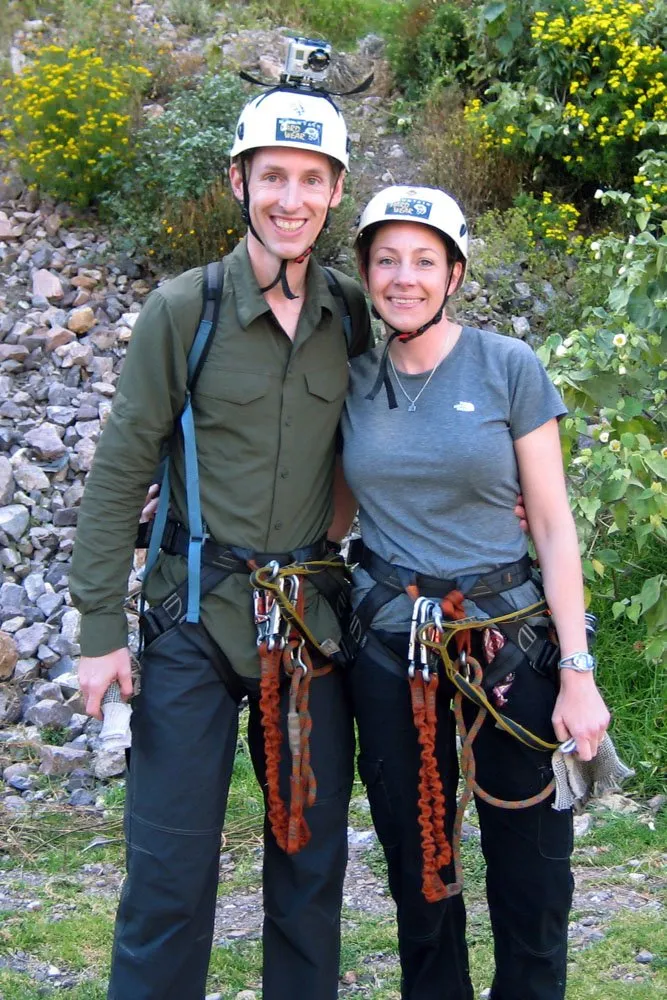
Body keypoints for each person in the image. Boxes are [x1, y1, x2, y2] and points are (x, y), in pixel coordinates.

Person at [68, 84, 373, 1000]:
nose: (291, 198)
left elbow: (402, 434)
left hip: (308, 627)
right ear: (236, 182)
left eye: (311, 179)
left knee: (310, 877)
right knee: (167, 874)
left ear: (333, 191)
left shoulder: (353, 315)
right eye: (272, 175)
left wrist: (500, 497)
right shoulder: (183, 309)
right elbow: (122, 466)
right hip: (191, 619)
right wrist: (98, 629)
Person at [338, 186, 611, 1000]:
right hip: (393, 643)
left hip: (506, 641)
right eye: (385, 260)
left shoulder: (505, 367)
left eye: (424, 260)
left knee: (530, 868)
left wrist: (577, 668)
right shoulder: (349, 380)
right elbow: (328, 511)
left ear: (453, 273)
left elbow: (553, 526)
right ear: (365, 273)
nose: (404, 278)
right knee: (416, 863)